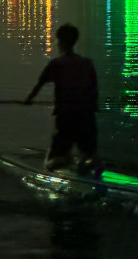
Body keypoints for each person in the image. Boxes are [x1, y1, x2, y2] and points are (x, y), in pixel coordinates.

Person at [24, 23, 98, 171]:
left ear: (60, 42)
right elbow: (94, 90)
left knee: (53, 159)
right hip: (86, 115)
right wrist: (95, 107)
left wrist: (28, 100)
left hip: (66, 116)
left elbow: (39, 85)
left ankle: (60, 165)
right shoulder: (87, 63)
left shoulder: (56, 64)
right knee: (86, 151)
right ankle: (84, 164)